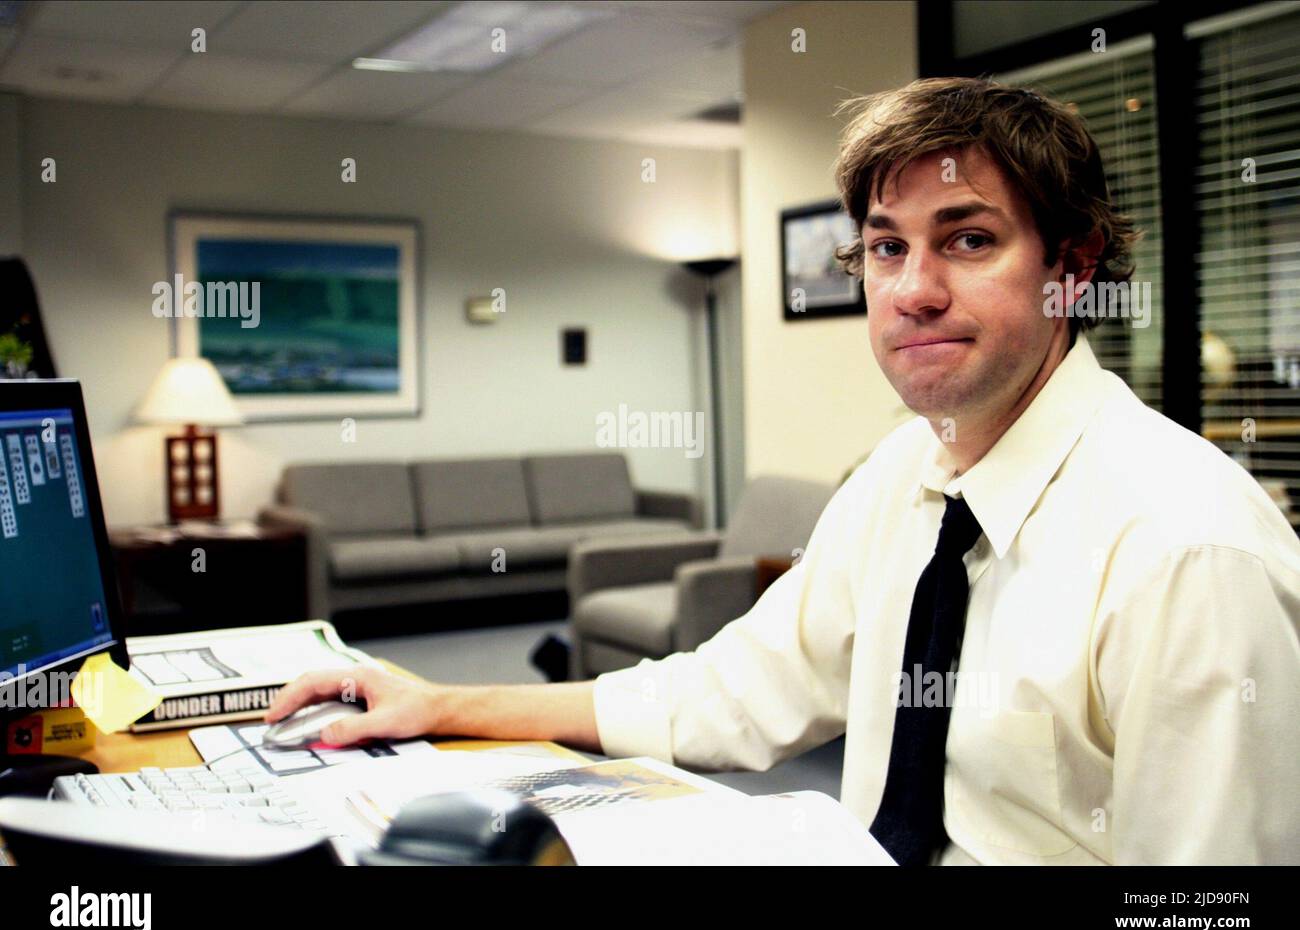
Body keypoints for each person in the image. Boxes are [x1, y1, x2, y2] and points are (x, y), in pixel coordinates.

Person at [267, 77, 1300, 865]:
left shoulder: (1185, 546)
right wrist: (443, 702)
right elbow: (728, 693)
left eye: (969, 239)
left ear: (1069, 268)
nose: (914, 289)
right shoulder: (907, 474)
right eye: (886, 248)